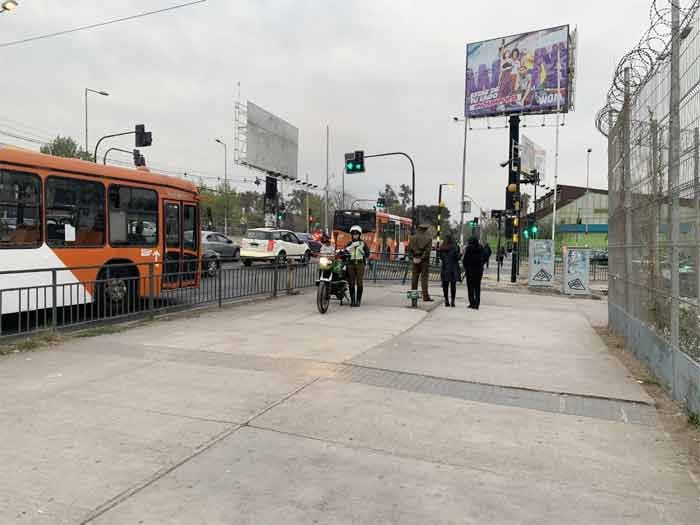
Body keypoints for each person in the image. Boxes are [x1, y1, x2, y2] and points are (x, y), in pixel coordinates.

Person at [345, 225, 370, 307]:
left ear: (359, 235)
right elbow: (344, 252)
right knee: (351, 283)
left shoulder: (363, 243)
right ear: (351, 235)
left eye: (356, 234)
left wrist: (361, 250)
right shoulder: (349, 243)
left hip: (360, 264)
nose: (355, 235)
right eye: (353, 234)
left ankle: (358, 300)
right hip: (350, 264)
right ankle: (352, 301)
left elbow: (367, 254)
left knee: (359, 283)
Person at [409, 223, 434, 302]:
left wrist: (413, 258)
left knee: (414, 278)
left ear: (419, 229)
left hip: (415, 260)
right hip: (424, 262)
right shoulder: (428, 239)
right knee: (424, 279)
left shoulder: (412, 238)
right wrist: (421, 258)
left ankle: (414, 297)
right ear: (425, 230)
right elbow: (427, 252)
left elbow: (409, 250)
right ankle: (425, 297)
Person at [463, 236, 485, 309]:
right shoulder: (481, 248)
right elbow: (484, 257)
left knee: (470, 288)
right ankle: (477, 303)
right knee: (477, 287)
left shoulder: (468, 249)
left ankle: (472, 302)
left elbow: (465, 260)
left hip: (470, 271)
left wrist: (466, 267)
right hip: (478, 271)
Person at [438, 234, 460, 307]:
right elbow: (457, 258)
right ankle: (452, 301)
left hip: (445, 268)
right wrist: (461, 254)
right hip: (453, 269)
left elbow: (441, 257)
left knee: (445, 286)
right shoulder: (454, 247)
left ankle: (446, 300)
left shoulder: (442, 248)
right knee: (453, 286)